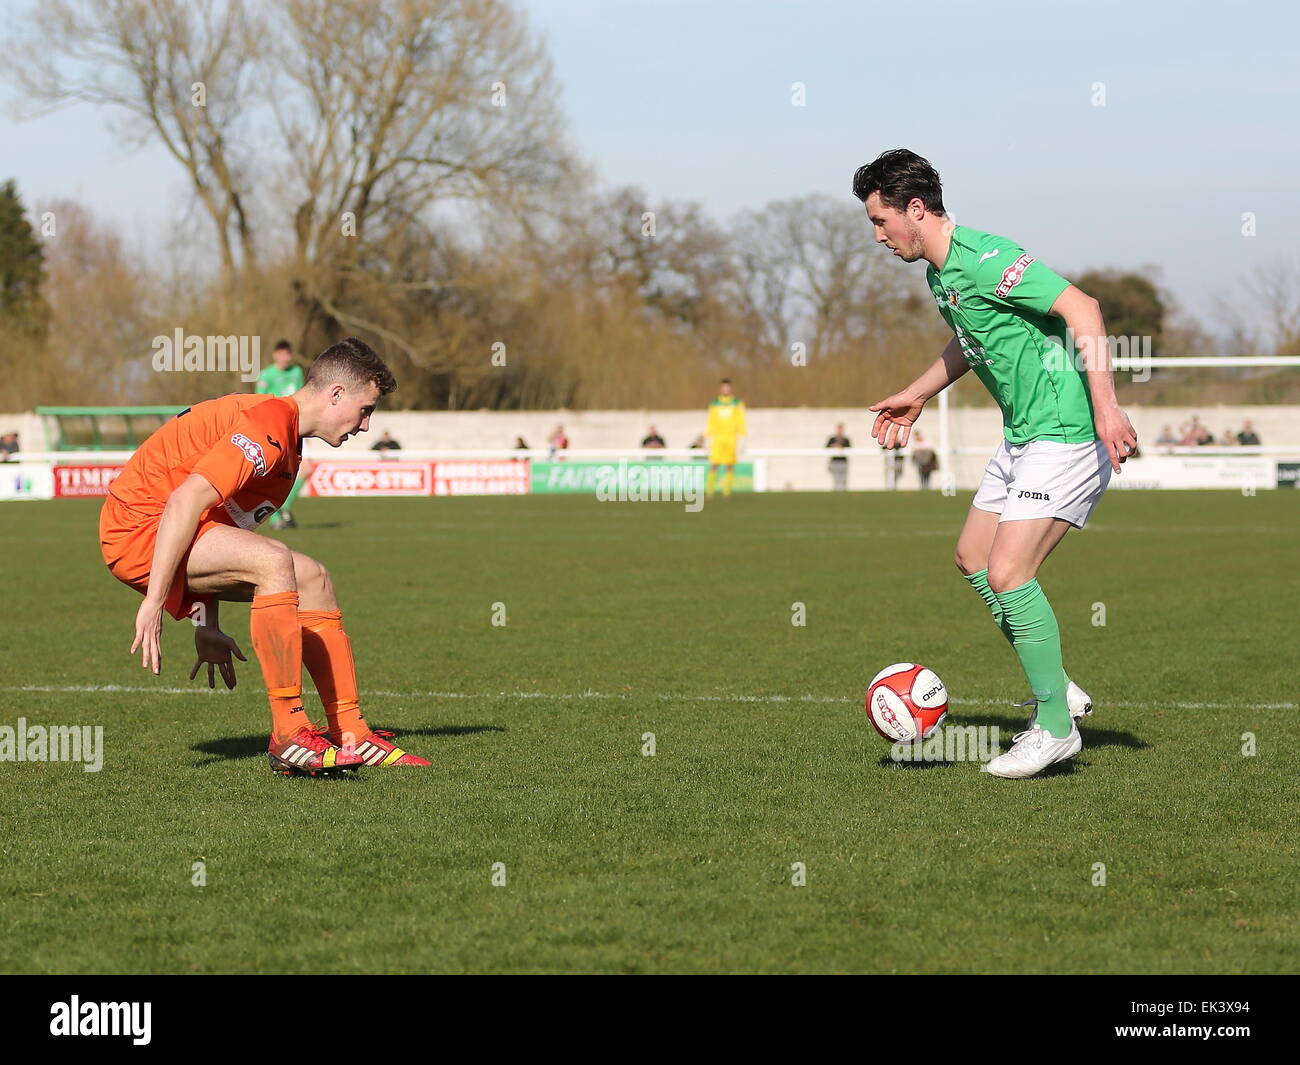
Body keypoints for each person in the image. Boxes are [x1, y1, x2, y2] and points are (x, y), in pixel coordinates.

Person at [855, 148, 1137, 779]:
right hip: (1023, 438)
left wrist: (1108, 411)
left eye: (881, 221)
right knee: (973, 559)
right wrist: (918, 393)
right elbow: (971, 340)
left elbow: (1082, 308)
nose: (877, 236)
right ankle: (1058, 688)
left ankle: (1055, 729)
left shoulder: (987, 258)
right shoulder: (942, 274)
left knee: (1010, 572)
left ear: (916, 209)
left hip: (1063, 435)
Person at [99, 337, 429, 774]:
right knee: (274, 560)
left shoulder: (287, 448)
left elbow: (221, 531)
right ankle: (289, 734)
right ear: (335, 394)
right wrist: (155, 599)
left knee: (313, 577)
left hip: (172, 531)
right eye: (365, 410)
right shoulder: (268, 425)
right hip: (137, 530)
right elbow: (183, 502)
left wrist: (206, 622)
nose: (365, 425)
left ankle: (351, 730)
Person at [256, 341, 308, 528]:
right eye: (281, 354)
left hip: (298, 425)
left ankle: (282, 508)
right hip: (277, 426)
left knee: (307, 469)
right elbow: (260, 400)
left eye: (288, 354)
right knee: (278, 473)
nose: (284, 358)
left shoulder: (296, 372)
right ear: (275, 355)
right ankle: (277, 516)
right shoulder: (267, 374)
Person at [705, 378, 747, 498]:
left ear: (730, 388)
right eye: (723, 387)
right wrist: (708, 437)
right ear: (720, 388)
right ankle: (709, 492)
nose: (725, 389)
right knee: (714, 464)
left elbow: (741, 420)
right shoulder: (714, 403)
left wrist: (743, 436)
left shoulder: (737, 403)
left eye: (727, 387)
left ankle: (726, 493)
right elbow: (711, 421)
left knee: (729, 465)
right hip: (718, 437)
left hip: (731, 437)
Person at [826, 423, 851, 491]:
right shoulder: (832, 439)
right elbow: (826, 447)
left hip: (843, 462)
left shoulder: (846, 440)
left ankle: (843, 493)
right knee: (836, 479)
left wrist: (841, 447)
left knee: (843, 479)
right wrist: (834, 446)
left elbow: (849, 448)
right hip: (834, 462)